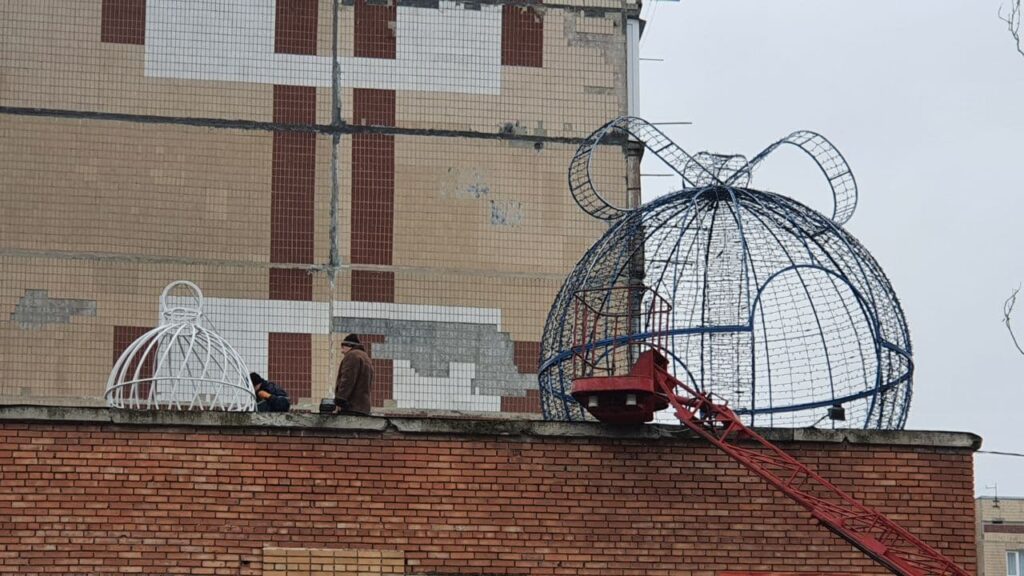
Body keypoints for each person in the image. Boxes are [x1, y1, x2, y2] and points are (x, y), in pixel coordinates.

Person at [333, 333, 373, 415]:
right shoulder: (366, 357)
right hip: (363, 408)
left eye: (343, 347)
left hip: (351, 407)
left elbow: (347, 379)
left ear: (349, 346)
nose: (342, 351)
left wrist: (340, 400)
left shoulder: (352, 355)